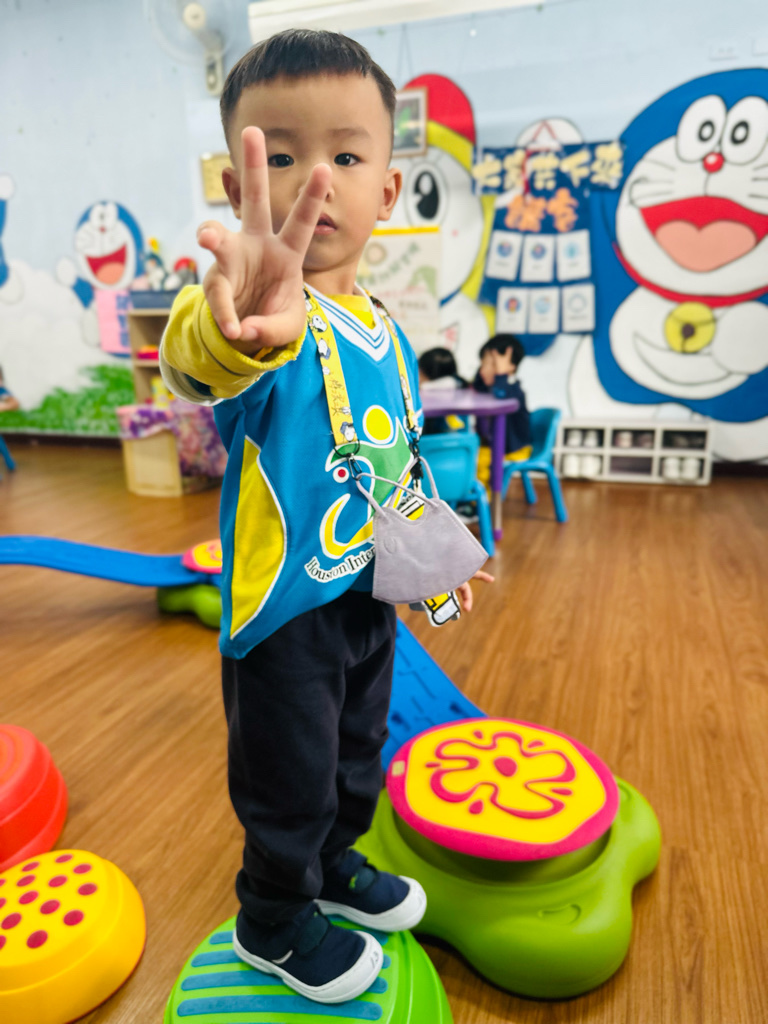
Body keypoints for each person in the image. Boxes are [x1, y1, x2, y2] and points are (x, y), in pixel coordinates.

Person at [160, 29, 491, 1006]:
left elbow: (397, 460)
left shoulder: (385, 326)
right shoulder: (258, 319)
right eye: (282, 157)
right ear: (239, 188)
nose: (317, 181)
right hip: (284, 613)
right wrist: (228, 329)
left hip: (365, 593)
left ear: (387, 190)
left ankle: (335, 865)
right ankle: (271, 916)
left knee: (356, 749)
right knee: (288, 775)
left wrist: (436, 557)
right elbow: (196, 362)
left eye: (345, 156)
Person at [473, 334, 532, 473]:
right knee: (471, 457)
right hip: (494, 447)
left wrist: (501, 372)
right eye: (483, 364)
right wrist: (488, 369)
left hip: (514, 449)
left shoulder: (513, 390)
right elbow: (477, 386)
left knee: (476, 463)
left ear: (510, 367)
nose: (484, 370)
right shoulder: (490, 388)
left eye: (493, 364)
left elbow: (501, 396)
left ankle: (487, 489)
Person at [417, 346, 466, 434]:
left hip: (436, 437)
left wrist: (423, 386)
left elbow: (450, 382)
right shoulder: (456, 384)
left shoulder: (452, 382)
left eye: (420, 370)